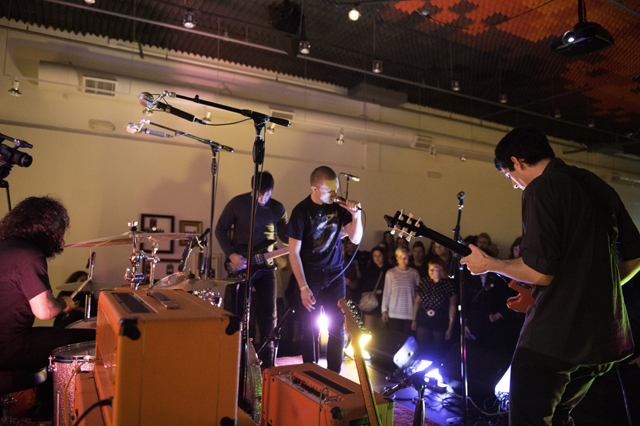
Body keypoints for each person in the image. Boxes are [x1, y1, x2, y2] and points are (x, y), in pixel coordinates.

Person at [461, 127, 640, 426]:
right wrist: (589, 290)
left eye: (508, 175)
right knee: (559, 419)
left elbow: (540, 272)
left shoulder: (540, 188)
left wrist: (489, 263)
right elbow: (634, 259)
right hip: (603, 340)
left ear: (516, 162)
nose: (514, 184)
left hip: (555, 339)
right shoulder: (596, 184)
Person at [0, 197, 96, 371]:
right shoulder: (29, 255)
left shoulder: (5, 247)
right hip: (9, 346)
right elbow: (45, 311)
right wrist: (63, 303)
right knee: (93, 337)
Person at [288, 166, 362, 373]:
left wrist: (356, 216)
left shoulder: (338, 207)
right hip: (311, 275)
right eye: (330, 190)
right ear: (314, 189)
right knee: (310, 328)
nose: (335, 194)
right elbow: (293, 253)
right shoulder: (301, 211)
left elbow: (355, 238)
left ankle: (333, 375)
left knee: (337, 328)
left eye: (336, 189)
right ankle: (311, 374)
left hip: (335, 274)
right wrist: (303, 286)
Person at [214, 171, 288, 369]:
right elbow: (220, 229)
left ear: (271, 191)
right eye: (258, 194)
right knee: (235, 312)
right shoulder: (237, 203)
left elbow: (285, 237)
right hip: (241, 264)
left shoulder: (278, 208)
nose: (261, 198)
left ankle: (268, 366)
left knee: (269, 316)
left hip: (266, 267)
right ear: (252, 189)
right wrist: (231, 254)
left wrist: (300, 236)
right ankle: (234, 362)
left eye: (266, 194)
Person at [412, 257, 458, 360]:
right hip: (424, 318)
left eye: (434, 269)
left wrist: (450, 327)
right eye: (430, 269)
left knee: (438, 349)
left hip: (440, 320)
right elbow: (417, 301)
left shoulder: (449, 285)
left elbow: (452, 306)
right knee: (422, 348)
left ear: (441, 269)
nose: (431, 272)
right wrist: (414, 320)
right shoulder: (424, 282)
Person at [381, 247, 419, 334]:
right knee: (395, 339)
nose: (403, 259)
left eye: (406, 257)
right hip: (394, 313)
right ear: (397, 258)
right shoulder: (390, 273)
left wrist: (416, 316)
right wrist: (384, 310)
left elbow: (418, 294)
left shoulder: (414, 273)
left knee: (408, 339)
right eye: (401, 257)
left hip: (410, 314)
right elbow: (386, 293)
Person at [358, 246, 390, 332]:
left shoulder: (389, 270)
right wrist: (373, 291)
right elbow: (363, 286)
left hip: (384, 303)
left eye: (379, 255)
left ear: (384, 256)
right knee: (369, 331)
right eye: (375, 256)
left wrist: (382, 291)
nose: (377, 258)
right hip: (371, 303)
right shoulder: (369, 270)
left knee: (382, 332)